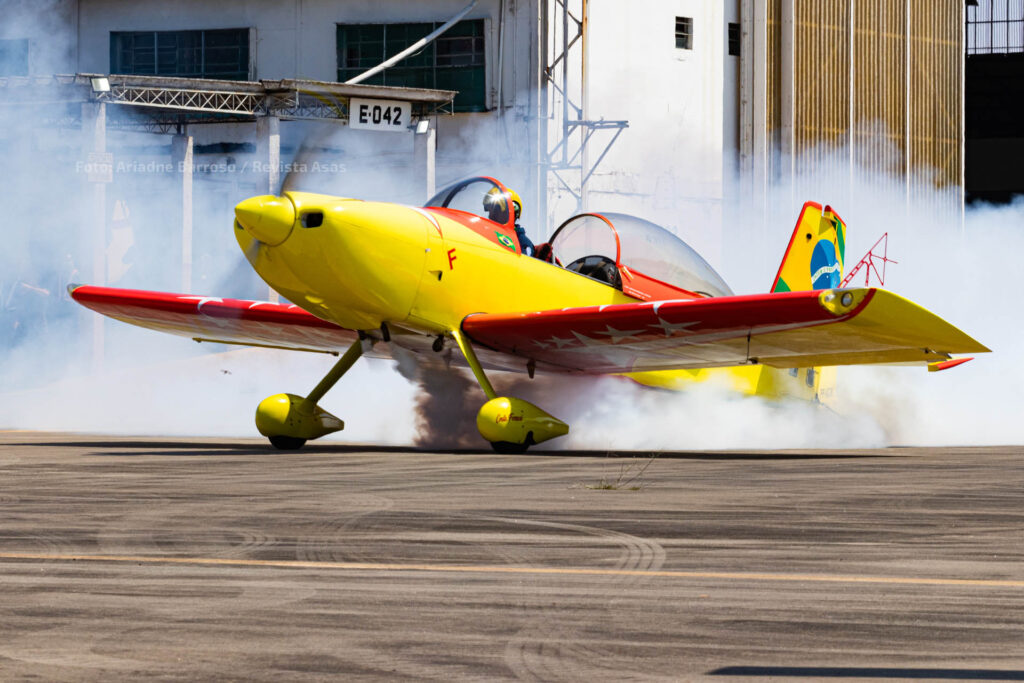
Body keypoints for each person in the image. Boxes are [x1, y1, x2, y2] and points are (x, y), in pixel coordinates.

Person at [484, 187, 535, 257]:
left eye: (496, 210)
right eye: (490, 211)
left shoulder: (523, 243)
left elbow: (522, 265)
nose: (491, 215)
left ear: (511, 213)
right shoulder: (487, 236)